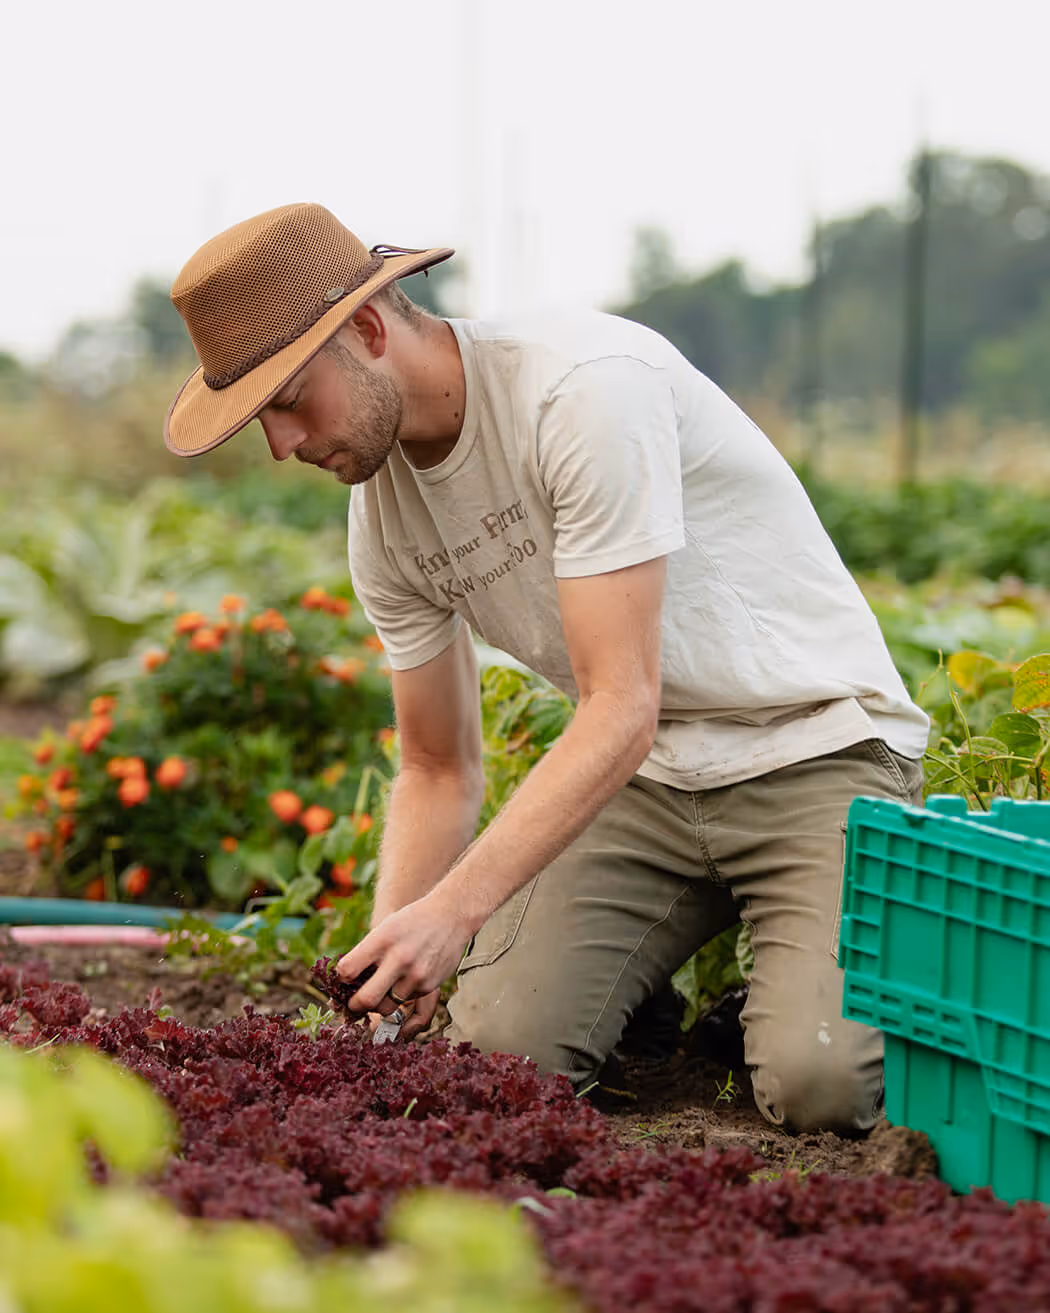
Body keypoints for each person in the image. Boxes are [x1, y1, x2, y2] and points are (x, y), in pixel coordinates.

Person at [164, 202, 930, 1134]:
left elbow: (620, 705)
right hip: (646, 788)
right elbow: (436, 766)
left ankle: (779, 995)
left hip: (815, 750)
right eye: (260, 425)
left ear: (366, 328)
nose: (282, 445)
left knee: (822, 1088)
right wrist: (394, 967)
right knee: (497, 1061)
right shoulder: (382, 521)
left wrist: (457, 913)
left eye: (286, 400)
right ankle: (638, 995)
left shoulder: (581, 390)